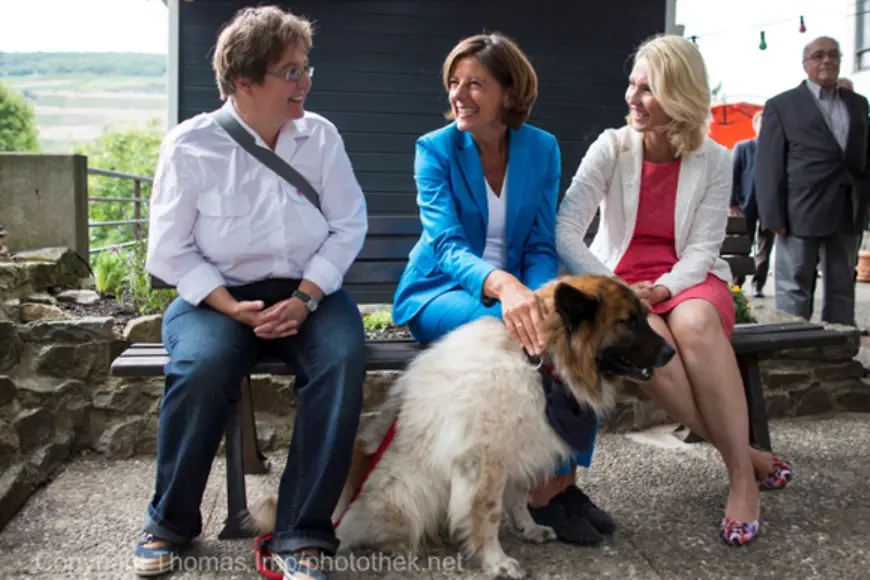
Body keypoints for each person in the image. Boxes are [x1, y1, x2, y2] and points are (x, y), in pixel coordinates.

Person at [135, 7, 368, 580]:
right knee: (202, 365)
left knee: (341, 360)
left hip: (306, 292)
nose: (305, 82)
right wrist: (228, 306)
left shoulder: (321, 137)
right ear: (244, 82)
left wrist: (308, 297)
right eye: (290, 72)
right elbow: (169, 251)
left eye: (305, 68)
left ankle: (302, 533)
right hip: (216, 296)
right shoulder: (190, 146)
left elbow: (348, 225)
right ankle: (169, 523)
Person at [555, 34, 793, 546]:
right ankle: (746, 460)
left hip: (686, 277)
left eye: (648, 89)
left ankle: (740, 483)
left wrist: (663, 289)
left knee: (698, 324)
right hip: (622, 282)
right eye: (632, 85)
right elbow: (565, 229)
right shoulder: (611, 147)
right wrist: (621, 290)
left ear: (679, 96)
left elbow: (705, 249)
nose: (631, 99)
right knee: (650, 349)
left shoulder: (714, 158)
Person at [390, 32, 615, 546]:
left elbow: (539, 243)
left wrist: (538, 300)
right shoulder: (435, 149)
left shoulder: (542, 148)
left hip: (518, 288)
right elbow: (445, 245)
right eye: (454, 82)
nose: (459, 94)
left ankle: (558, 483)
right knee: (507, 336)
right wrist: (504, 288)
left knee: (579, 336)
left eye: (475, 83)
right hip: (441, 289)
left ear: (509, 93)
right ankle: (544, 496)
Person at [755, 36, 870, 327]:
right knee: (794, 286)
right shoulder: (782, 105)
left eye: (833, 54)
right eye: (818, 56)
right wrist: (772, 215)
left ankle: (839, 352)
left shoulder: (857, 104)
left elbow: (862, 160)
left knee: (843, 287)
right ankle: (793, 353)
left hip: (846, 211)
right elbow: (768, 166)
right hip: (798, 212)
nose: (826, 60)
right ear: (805, 64)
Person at [730, 110, 774, 297]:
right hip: (745, 204)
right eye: (762, 124)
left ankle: (758, 284)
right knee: (742, 246)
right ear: (755, 126)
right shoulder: (743, 147)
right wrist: (732, 203)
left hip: (770, 207)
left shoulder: (777, 150)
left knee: (765, 248)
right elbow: (733, 175)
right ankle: (737, 283)